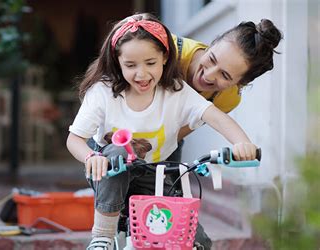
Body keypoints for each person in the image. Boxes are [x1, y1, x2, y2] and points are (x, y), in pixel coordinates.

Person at [66, 13, 259, 250]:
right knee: (117, 150)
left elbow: (217, 117)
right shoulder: (103, 92)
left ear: (165, 58)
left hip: (154, 173)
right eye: (130, 65)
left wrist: (242, 142)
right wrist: (91, 157)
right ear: (117, 62)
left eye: (150, 63)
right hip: (110, 171)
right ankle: (102, 237)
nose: (142, 74)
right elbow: (75, 139)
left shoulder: (177, 91)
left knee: (193, 238)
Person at [167, 19, 283, 162]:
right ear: (212, 44)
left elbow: (177, 134)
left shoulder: (228, 98)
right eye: (212, 59)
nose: (208, 75)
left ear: (241, 83)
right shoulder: (166, 48)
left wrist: (243, 143)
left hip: (166, 138)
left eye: (225, 75)